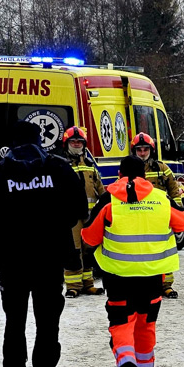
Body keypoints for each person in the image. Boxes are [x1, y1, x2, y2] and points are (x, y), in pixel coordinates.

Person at [0, 120, 86, 367]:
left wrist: (10, 219)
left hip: (12, 260)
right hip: (49, 260)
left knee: (15, 319)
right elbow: (78, 212)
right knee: (48, 325)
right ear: (40, 140)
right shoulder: (60, 170)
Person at [83, 156, 184, 367]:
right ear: (144, 174)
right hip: (152, 277)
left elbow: (89, 237)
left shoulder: (109, 200)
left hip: (118, 278)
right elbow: (183, 222)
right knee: (145, 325)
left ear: (120, 173)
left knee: (121, 325)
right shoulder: (161, 199)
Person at [133, 132, 184, 299]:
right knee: (140, 251)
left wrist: (177, 207)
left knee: (165, 251)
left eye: (145, 149)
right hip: (138, 218)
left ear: (151, 150)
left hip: (160, 218)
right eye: (139, 149)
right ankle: (145, 284)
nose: (142, 152)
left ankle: (166, 285)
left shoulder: (162, 168)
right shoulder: (130, 169)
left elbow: (174, 190)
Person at [61, 126, 106, 298]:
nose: (77, 144)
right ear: (67, 144)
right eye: (73, 141)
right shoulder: (61, 164)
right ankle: (73, 286)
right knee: (73, 250)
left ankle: (88, 284)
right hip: (70, 216)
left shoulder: (89, 165)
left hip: (90, 216)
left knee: (88, 251)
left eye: (80, 142)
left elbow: (100, 189)